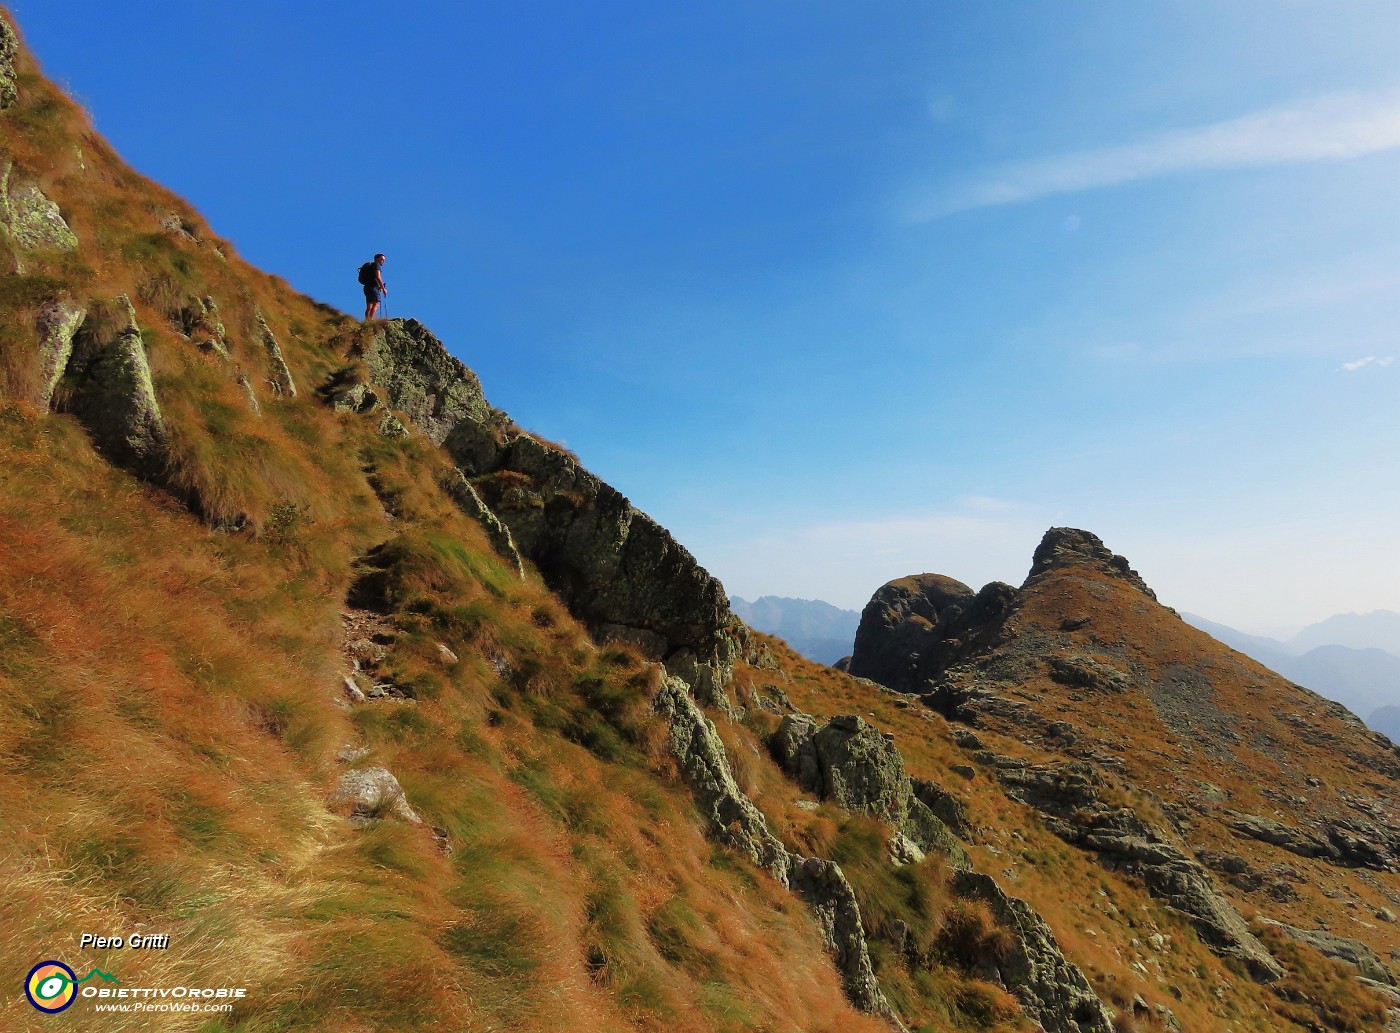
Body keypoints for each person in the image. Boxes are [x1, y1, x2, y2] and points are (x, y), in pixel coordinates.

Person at [360, 253, 388, 321]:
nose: (383, 261)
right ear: (377, 259)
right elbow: (378, 277)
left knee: (369, 306)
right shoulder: (376, 265)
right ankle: (371, 320)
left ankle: (367, 321)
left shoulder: (370, 266)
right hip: (373, 287)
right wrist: (383, 288)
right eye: (382, 259)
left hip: (367, 287)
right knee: (376, 303)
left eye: (384, 260)